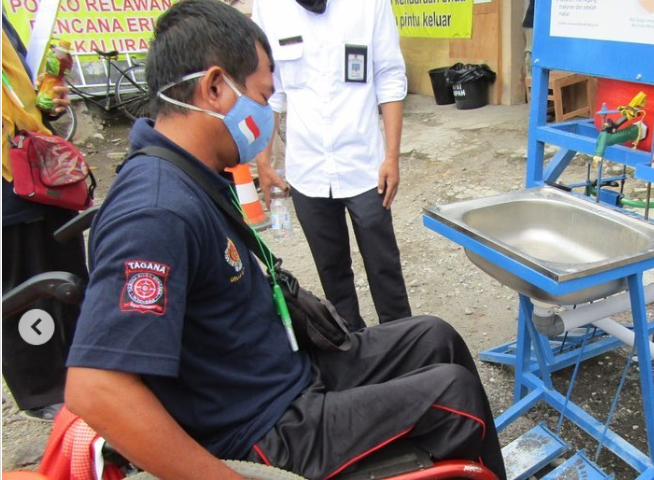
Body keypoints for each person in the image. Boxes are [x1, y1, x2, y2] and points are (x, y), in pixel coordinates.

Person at [64, 2, 506, 480]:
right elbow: (95, 388)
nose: (267, 118)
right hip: (264, 425)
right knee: (453, 394)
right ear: (215, 88)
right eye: (261, 97)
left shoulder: (192, 175)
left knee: (433, 335)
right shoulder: (156, 211)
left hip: (288, 372)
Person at [252, 0, 411, 331]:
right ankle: (353, 352)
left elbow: (389, 77)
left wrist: (392, 156)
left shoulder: (370, 5)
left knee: (384, 268)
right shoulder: (270, 7)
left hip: (365, 167)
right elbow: (272, 91)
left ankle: (404, 347)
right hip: (306, 170)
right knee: (332, 272)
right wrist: (263, 161)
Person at [2, 11, 87, 422]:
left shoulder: (4, 23)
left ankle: (83, 370)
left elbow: (21, 93)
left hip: (40, 170)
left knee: (69, 275)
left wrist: (45, 104)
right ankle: (44, 388)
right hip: (7, 188)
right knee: (27, 290)